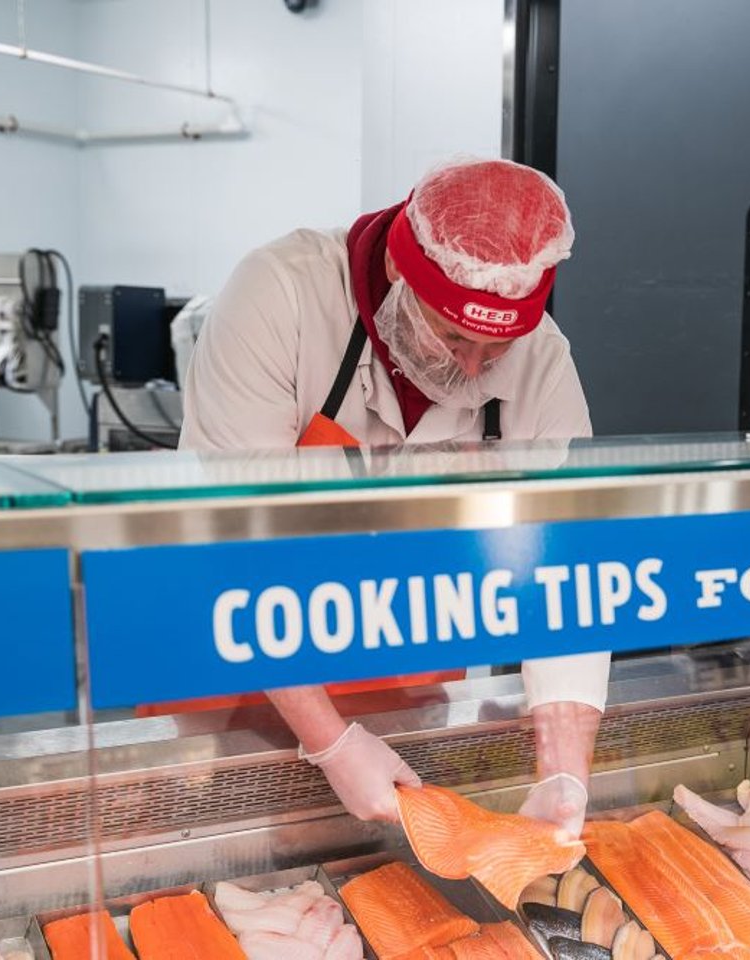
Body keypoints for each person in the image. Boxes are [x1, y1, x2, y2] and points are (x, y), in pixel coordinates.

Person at [180, 158, 606, 835]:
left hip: (408, 680)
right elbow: (232, 539)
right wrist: (330, 740)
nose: (472, 368)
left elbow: (572, 565)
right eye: (455, 336)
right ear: (401, 279)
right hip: (238, 676)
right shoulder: (282, 294)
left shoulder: (542, 359)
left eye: (496, 350)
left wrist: (563, 769)